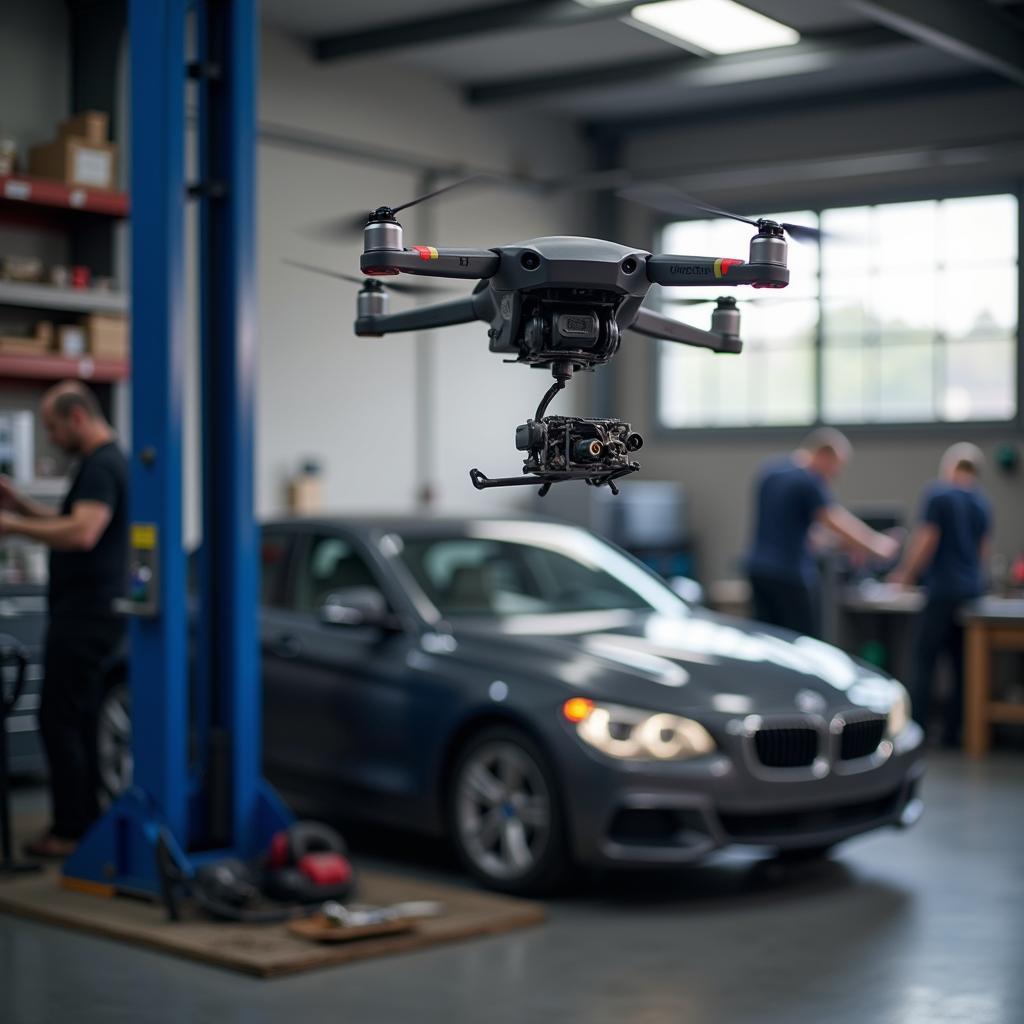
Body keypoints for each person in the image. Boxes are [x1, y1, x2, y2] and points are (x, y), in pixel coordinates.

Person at [0, 381, 127, 858]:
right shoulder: (108, 463)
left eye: (53, 427)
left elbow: (83, 532)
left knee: (59, 718)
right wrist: (23, 507)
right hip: (97, 614)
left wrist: (12, 527)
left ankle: (71, 830)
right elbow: (72, 520)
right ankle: (86, 823)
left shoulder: (100, 466)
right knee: (82, 719)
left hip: (86, 616)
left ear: (77, 418)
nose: (51, 437)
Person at [746, 428, 899, 638]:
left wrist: (845, 545)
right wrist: (876, 544)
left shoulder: (770, 471)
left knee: (769, 641)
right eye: (835, 469)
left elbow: (798, 529)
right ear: (824, 455)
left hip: (759, 571)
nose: (833, 476)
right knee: (803, 643)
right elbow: (834, 519)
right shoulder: (809, 480)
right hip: (790, 575)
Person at [888, 443, 991, 744]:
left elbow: (927, 539)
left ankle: (915, 728)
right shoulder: (982, 503)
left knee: (924, 659)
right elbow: (983, 550)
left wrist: (904, 575)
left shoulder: (939, 494)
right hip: (970, 592)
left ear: (950, 467)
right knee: (963, 664)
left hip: (942, 589)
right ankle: (955, 731)